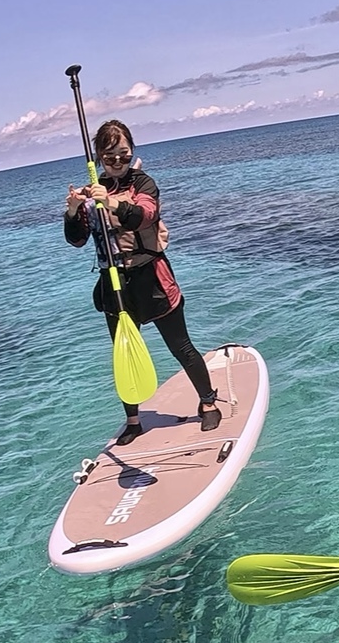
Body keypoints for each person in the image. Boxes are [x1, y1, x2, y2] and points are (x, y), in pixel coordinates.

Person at [63, 118, 221, 446]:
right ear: (99, 157)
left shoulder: (143, 184)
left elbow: (144, 215)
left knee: (180, 346)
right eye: (110, 156)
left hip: (153, 279)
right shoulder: (92, 193)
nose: (118, 161)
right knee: (124, 352)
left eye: (123, 154)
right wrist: (74, 210)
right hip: (114, 284)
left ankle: (208, 402)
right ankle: (133, 421)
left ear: (131, 151)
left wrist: (112, 201)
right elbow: (76, 239)